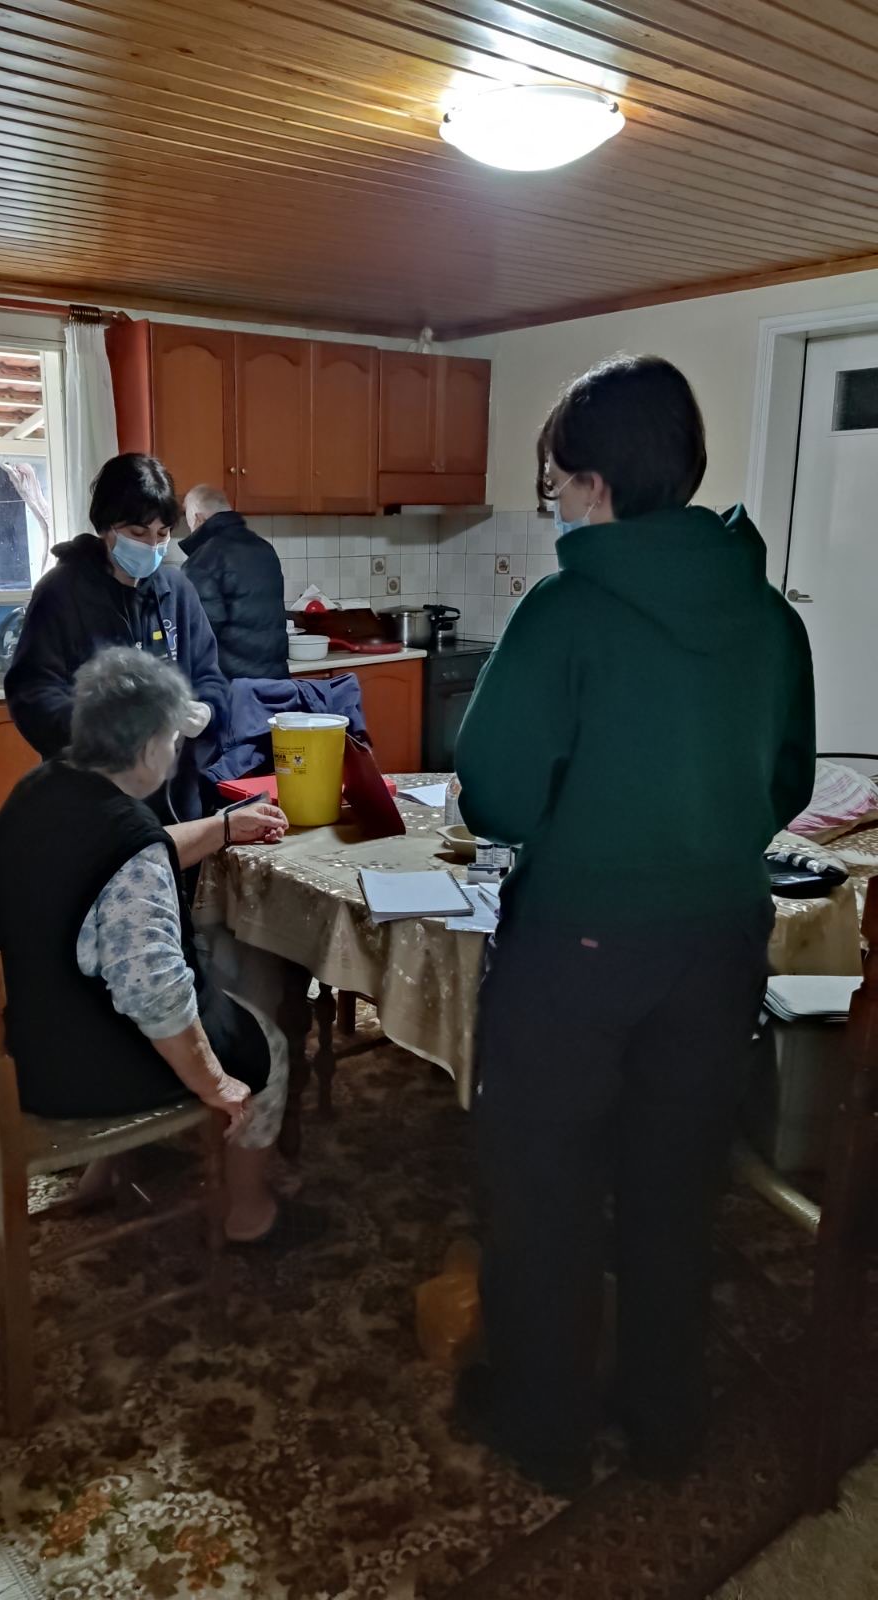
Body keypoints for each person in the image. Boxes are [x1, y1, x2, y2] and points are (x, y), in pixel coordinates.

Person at [453, 354, 816, 1493]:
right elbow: (789, 783)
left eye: (557, 487)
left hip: (579, 944)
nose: (557, 508)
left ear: (598, 485)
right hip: (720, 940)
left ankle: (545, 1425)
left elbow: (495, 793)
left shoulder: (566, 610)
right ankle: (665, 1420)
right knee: (674, 1185)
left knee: (544, 1185)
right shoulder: (767, 612)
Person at [0, 647, 295, 1243]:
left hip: (14, 1033)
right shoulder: (128, 848)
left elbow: (114, 856)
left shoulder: (41, 788)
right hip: (67, 1071)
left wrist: (224, 828)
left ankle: (104, 1173)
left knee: (154, 975)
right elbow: (157, 997)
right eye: (173, 740)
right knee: (268, 1046)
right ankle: (248, 1211)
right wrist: (214, 1082)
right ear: (152, 748)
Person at [4, 454, 228, 822]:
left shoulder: (177, 590)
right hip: (90, 804)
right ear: (106, 527)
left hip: (175, 797)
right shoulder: (61, 593)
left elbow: (210, 676)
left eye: (163, 534)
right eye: (138, 534)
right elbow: (32, 695)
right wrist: (106, 732)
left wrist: (207, 709)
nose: (152, 546)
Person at [180, 485, 290, 680]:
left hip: (232, 685)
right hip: (276, 680)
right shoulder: (265, 548)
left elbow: (199, 636)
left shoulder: (202, 561)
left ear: (198, 519)